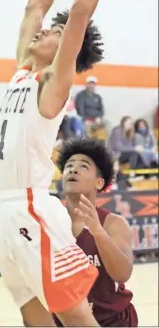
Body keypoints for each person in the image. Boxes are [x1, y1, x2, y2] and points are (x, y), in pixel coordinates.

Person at [0, 0, 133, 327]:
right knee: (36, 321)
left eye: (54, 32)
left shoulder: (52, 85)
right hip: (6, 214)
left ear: (64, 51)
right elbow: (35, 4)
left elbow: (79, 14)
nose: (43, 31)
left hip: (33, 212)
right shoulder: (21, 71)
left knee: (76, 320)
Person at [53, 138, 138, 327]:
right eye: (69, 166)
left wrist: (98, 232)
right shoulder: (50, 222)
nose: (73, 170)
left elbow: (122, 274)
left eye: (83, 166)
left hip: (113, 321)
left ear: (99, 183)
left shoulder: (113, 223)